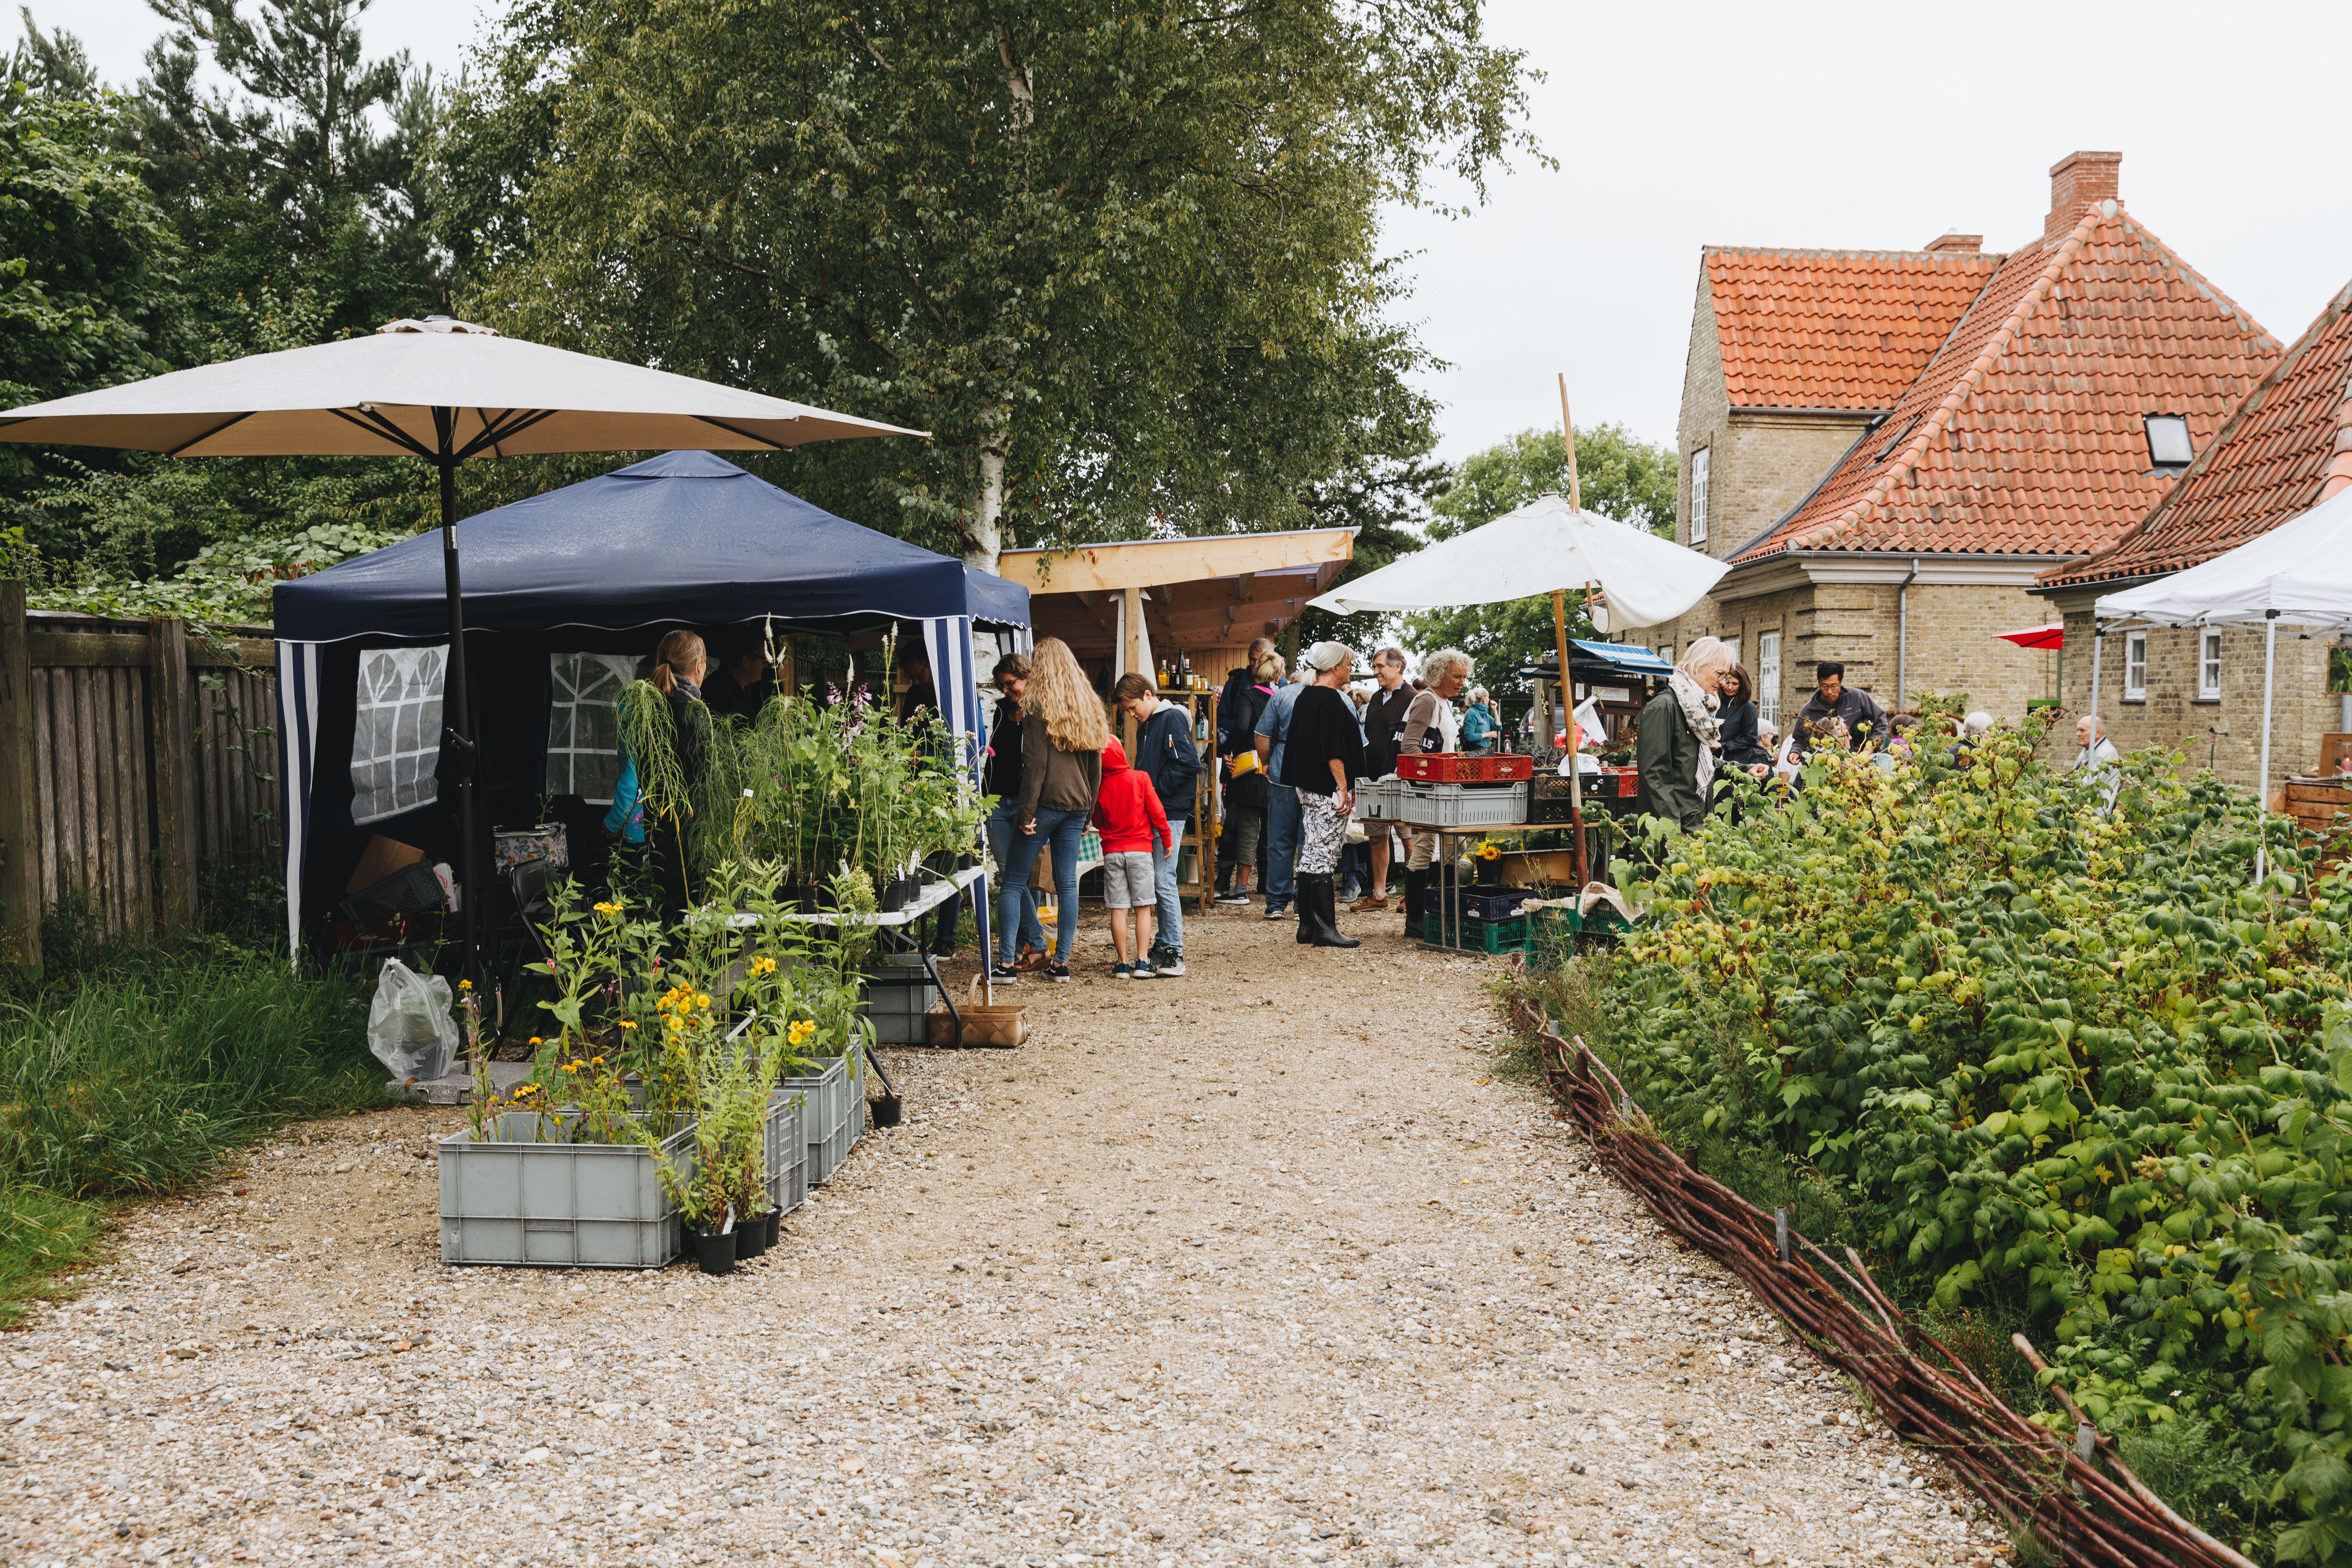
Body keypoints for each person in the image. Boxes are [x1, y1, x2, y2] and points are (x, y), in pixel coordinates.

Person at [996, 638, 1106, 984]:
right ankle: (1061, 965)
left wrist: (1027, 812)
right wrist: (1087, 813)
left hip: (1044, 804)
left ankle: (1006, 966)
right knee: (1068, 885)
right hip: (1076, 806)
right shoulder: (1087, 704)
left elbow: (1036, 765)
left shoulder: (1037, 705)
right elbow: (1095, 767)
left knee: (1012, 883)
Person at [1280, 641, 1366, 948]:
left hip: (1307, 785)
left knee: (1311, 852)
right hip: (1326, 787)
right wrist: (1343, 788)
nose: (1351, 669)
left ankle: (1307, 926)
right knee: (1325, 853)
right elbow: (1333, 751)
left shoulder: (1306, 696)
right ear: (1334, 667)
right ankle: (1325, 927)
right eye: (1348, 664)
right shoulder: (1330, 699)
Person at [1115, 672, 1201, 977]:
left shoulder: (1173, 719)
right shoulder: (1148, 724)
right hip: (1158, 810)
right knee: (1158, 879)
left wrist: (1152, 790)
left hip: (1171, 811)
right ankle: (1164, 942)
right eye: (1127, 710)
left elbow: (1188, 763)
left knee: (1164, 879)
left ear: (1149, 695)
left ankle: (1175, 951)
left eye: (1133, 706)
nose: (1131, 713)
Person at [1393, 648, 1471, 934]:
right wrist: (1436, 771)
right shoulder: (1426, 700)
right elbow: (1409, 747)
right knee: (1425, 847)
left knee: (1454, 847)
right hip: (1429, 789)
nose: (1462, 682)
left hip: (1447, 788)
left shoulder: (1445, 702)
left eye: (1464, 676)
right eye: (1456, 676)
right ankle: (1415, 921)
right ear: (1439, 675)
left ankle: (1444, 915)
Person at [982, 652, 1050, 971]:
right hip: (995, 801)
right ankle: (1034, 943)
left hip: (1026, 805)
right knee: (1012, 874)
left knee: (1019, 876)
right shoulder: (1001, 711)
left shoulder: (1042, 711)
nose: (1007, 691)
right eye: (1002, 686)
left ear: (1026, 675)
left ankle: (1030, 945)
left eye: (1010, 684)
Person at [643, 629, 716, 923]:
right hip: (690, 838)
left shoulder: (653, 710)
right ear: (699, 665)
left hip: (661, 833)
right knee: (692, 925)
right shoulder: (689, 710)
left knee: (670, 922)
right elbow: (712, 768)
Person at [1089, 738, 1173, 978]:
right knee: (1143, 908)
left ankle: (1122, 964)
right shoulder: (1141, 778)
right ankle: (1143, 961)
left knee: (1119, 909)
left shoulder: (1101, 787)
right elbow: (1157, 812)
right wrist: (1167, 839)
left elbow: (1097, 821)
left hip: (1113, 853)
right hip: (1140, 852)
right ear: (1122, 754)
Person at [1636, 637, 1734, 832]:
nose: (1723, 682)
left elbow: (1696, 764)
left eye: (1726, 675)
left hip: (1693, 825)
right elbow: (1655, 778)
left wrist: (1745, 769)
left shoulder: (1697, 710)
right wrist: (1674, 835)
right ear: (1698, 664)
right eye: (1720, 673)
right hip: (1676, 833)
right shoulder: (1664, 706)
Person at [1214, 650, 1280, 906]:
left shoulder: (1249, 695)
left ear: (1256, 670)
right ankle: (1274, 889)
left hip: (1250, 771)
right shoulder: (1281, 698)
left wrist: (1227, 750)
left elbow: (1241, 726)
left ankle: (1240, 890)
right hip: (1275, 770)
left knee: (1248, 831)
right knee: (1274, 833)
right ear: (1276, 674)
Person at [1355, 647, 1413, 911]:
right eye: (1375, 666)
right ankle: (1379, 895)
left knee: (1408, 837)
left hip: (1401, 780)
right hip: (1374, 778)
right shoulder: (1377, 698)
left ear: (1397, 667)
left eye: (1380, 666)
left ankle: (1413, 893)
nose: (1375, 671)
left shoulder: (1414, 698)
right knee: (1377, 836)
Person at [1253, 656, 1309, 922]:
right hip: (1315, 774)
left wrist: (1265, 763)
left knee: (1279, 840)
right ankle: (1303, 904)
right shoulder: (1336, 697)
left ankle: (1276, 903)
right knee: (1308, 841)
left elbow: (1262, 734)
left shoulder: (1283, 695)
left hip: (1281, 770)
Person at [1790, 661, 1889, 758]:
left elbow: (1881, 720)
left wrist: (1872, 745)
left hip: (1858, 763)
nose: (1829, 692)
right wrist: (1796, 752)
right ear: (1818, 683)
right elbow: (1800, 740)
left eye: (1834, 687)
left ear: (1841, 682)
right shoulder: (1808, 711)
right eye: (1824, 687)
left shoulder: (1857, 698)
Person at [1716, 664, 1773, 777]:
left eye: (1735, 684)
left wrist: (1723, 745)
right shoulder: (1716, 703)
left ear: (1742, 685)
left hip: (1737, 765)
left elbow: (1750, 739)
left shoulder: (1749, 708)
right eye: (1727, 682)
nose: (1730, 687)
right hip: (1714, 762)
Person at [701, 635, 773, 722]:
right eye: (764, 659)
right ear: (746, 661)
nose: (766, 665)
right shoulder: (717, 692)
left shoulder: (744, 689)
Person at [2072, 713, 2121, 808]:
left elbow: (2088, 788)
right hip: (2084, 804)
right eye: (2078, 730)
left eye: (2082, 730)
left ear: (2097, 733)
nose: (2078, 734)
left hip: (2096, 810)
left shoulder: (2105, 753)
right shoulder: (2088, 749)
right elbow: (2075, 778)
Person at [1461, 687, 1498, 752]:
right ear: (1484, 699)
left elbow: (1498, 727)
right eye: (1488, 697)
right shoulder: (1471, 713)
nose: (1489, 700)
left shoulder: (1485, 714)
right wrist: (1488, 735)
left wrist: (1495, 710)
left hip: (1484, 750)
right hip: (1475, 751)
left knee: (1493, 761)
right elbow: (1469, 737)